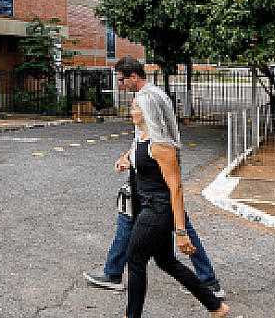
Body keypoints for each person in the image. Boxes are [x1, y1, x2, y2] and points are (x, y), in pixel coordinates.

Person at [84, 57, 225, 298]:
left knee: (176, 221)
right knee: (129, 217)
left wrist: (147, 162)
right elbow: (143, 136)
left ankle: (207, 280)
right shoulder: (145, 97)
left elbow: (160, 136)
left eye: (121, 80)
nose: (120, 85)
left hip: (156, 169)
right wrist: (129, 156)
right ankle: (114, 272)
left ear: (133, 77)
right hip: (146, 165)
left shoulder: (151, 98)